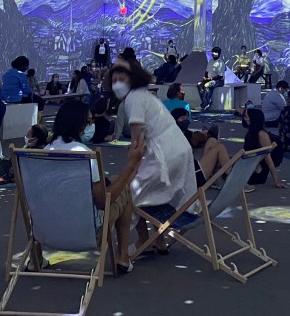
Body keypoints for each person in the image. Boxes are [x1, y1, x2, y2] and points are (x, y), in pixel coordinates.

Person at [45, 100, 144, 275]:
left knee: (114, 180)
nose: (91, 126)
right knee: (123, 188)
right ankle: (123, 256)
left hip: (46, 230)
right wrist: (132, 164)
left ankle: (35, 257)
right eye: (89, 122)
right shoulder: (84, 154)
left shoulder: (42, 152)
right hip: (85, 232)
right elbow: (103, 202)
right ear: (80, 125)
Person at [110, 61, 197, 254]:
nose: (117, 84)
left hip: (165, 156)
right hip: (179, 150)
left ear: (132, 79)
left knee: (130, 195)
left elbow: (137, 142)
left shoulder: (133, 99)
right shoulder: (145, 94)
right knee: (152, 194)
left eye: (121, 79)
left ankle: (141, 241)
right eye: (114, 80)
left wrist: (132, 169)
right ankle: (158, 240)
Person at [243, 107, 286, 188]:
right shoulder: (252, 132)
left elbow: (268, 157)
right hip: (249, 164)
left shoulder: (262, 134)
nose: (244, 119)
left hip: (257, 169)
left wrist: (276, 181)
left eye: (246, 116)